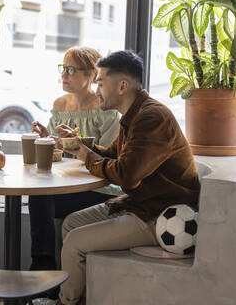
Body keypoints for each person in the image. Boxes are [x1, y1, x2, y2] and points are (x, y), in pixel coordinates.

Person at [36, 50, 201, 305]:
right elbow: (112, 153)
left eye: (100, 81)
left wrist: (83, 154)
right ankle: (82, 298)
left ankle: (65, 302)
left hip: (158, 214)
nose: (96, 87)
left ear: (122, 86)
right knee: (71, 224)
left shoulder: (151, 117)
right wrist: (76, 143)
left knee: (74, 243)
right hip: (140, 204)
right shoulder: (134, 115)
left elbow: (126, 175)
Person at [28, 46, 121, 276]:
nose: (64, 75)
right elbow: (57, 153)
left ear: (91, 75)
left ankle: (47, 276)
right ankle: (43, 271)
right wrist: (46, 140)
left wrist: (71, 143)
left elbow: (109, 157)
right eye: (63, 68)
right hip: (66, 185)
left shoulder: (106, 109)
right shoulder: (60, 105)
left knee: (42, 198)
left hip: (99, 189)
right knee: (38, 196)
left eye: (71, 70)